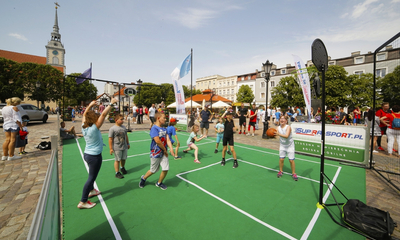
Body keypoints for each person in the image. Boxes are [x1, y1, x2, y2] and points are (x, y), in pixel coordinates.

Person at [77, 98, 118, 209]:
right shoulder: (94, 128)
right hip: (94, 157)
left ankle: (91, 191)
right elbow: (104, 114)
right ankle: (83, 201)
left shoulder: (83, 126)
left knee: (92, 176)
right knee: (91, 177)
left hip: (87, 154)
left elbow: (84, 114)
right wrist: (111, 103)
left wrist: (90, 105)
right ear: (93, 119)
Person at [139, 111, 173, 190]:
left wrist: (171, 148)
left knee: (165, 168)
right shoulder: (154, 128)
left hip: (164, 153)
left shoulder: (165, 129)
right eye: (164, 118)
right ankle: (143, 178)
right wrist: (164, 150)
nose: (165, 119)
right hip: (156, 152)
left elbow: (168, 140)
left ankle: (159, 182)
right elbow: (157, 141)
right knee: (153, 170)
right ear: (158, 118)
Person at [276, 115, 298, 181]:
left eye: (283, 119)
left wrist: (278, 134)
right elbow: (275, 134)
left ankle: (294, 173)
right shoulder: (278, 128)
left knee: (291, 160)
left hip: (290, 145)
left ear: (286, 121)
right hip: (282, 145)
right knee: (281, 159)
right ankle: (280, 171)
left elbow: (286, 136)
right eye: (281, 119)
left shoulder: (288, 127)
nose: (282, 120)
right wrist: (271, 134)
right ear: (279, 120)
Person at [108, 113, 130, 179]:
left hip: (124, 146)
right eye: (121, 119)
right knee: (117, 159)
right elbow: (110, 139)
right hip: (117, 147)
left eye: (123, 119)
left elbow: (126, 136)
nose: (122, 120)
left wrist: (128, 143)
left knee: (124, 158)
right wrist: (111, 148)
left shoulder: (123, 127)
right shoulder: (112, 129)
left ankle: (122, 167)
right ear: (116, 120)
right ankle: (117, 172)